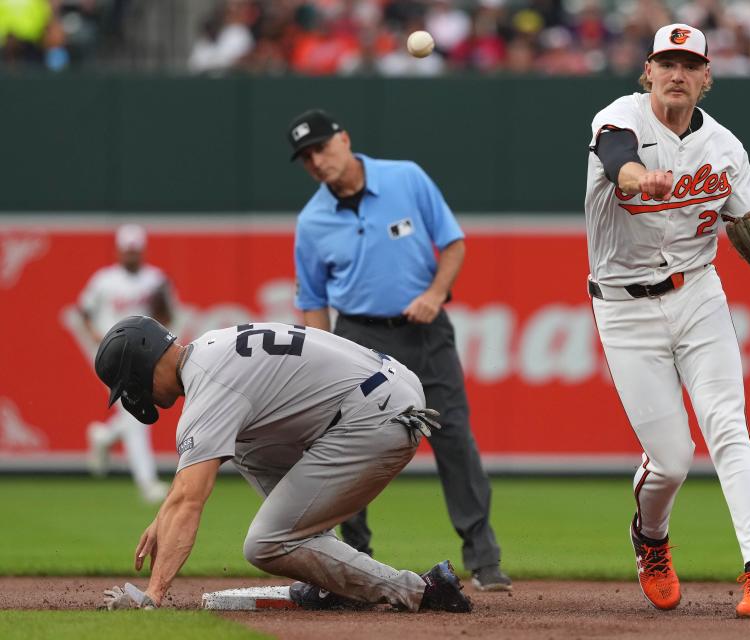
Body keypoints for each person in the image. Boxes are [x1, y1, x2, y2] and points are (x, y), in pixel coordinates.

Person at [584, 24, 750, 618]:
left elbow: (749, 224)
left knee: (729, 427)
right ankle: (650, 538)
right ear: (647, 72)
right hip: (624, 306)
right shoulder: (618, 117)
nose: (676, 73)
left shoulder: (727, 150)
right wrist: (636, 178)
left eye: (689, 64)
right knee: (672, 459)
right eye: (665, 62)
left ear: (706, 79)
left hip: (699, 295)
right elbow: (616, 159)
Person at [95, 315, 473, 613]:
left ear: (143, 366)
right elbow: (183, 489)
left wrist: (154, 593)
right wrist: (164, 515)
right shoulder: (209, 349)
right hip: (387, 390)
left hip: (373, 417)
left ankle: (417, 590)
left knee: (265, 544)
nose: (134, 393)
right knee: (243, 443)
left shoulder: (209, 386)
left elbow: (190, 499)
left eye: (129, 383)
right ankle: (330, 583)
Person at [285, 108, 511, 592]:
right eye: (306, 158)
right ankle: (355, 554)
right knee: (347, 446)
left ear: (344, 139)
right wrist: (321, 358)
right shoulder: (312, 221)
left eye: (321, 148)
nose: (316, 161)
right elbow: (312, 301)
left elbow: (452, 244)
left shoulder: (405, 178)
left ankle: (484, 559)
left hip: (424, 332)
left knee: (453, 439)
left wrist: (434, 294)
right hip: (358, 339)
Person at [78, 224, 171, 503]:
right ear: (119, 251)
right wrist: (94, 332)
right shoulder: (105, 279)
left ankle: (104, 436)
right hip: (111, 354)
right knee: (136, 417)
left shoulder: (155, 279)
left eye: (135, 250)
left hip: (142, 354)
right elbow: (84, 309)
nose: (131, 255)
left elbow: (165, 314)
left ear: (141, 250)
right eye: (126, 250)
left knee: (134, 414)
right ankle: (147, 482)